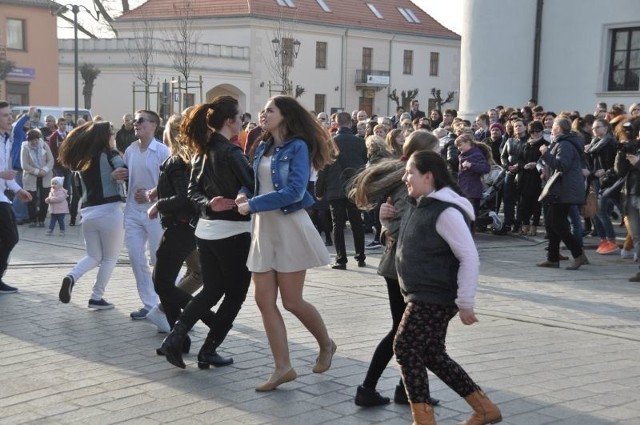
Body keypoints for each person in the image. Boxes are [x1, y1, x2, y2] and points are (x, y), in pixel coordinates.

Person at [385, 150, 501, 425]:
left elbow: (469, 255)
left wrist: (465, 301)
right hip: (422, 292)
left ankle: (424, 420)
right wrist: (384, 220)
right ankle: (485, 409)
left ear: (428, 176)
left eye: (410, 172)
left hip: (434, 294)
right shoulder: (421, 204)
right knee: (431, 353)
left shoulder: (446, 210)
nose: (405, 178)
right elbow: (403, 240)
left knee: (404, 347)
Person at [236, 95, 336, 392]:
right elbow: (254, 182)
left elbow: (294, 191)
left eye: (270, 110)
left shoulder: (298, 146)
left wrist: (252, 204)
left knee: (292, 301)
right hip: (263, 227)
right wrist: (243, 194)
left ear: (285, 115)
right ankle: (283, 367)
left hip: (289, 225)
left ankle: (326, 344)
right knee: (263, 300)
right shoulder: (262, 145)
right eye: (262, 110)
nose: (263, 114)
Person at [349, 130, 442, 408]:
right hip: (404, 267)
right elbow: (405, 225)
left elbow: (396, 222)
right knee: (405, 333)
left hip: (402, 265)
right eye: (436, 153)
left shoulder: (414, 179)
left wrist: (385, 227)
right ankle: (369, 388)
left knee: (407, 333)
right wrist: (386, 228)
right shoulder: (409, 182)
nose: (440, 158)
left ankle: (402, 390)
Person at [161, 97, 255, 370]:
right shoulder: (231, 153)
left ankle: (175, 337)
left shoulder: (202, 150)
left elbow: (192, 193)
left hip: (206, 231)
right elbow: (252, 186)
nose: (242, 121)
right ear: (229, 121)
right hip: (232, 232)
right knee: (235, 294)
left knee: (213, 289)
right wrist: (217, 203)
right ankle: (208, 349)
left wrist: (208, 205)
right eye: (240, 117)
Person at [57, 121, 127, 310]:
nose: (113, 137)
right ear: (106, 137)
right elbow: (125, 171)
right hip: (110, 210)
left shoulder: (81, 160)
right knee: (110, 258)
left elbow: (79, 191)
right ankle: (96, 296)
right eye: (112, 134)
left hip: (88, 213)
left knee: (93, 256)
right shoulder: (110, 154)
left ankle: (71, 276)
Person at [124, 110, 171, 320]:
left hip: (155, 212)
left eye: (140, 120)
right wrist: (120, 176)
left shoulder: (162, 151)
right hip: (133, 211)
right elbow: (129, 176)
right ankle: (149, 303)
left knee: (158, 259)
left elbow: (171, 184)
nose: (136, 123)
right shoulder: (130, 150)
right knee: (135, 258)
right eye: (135, 120)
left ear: (153, 125)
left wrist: (152, 194)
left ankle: (169, 302)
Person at [316, 111, 367, 270]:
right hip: (354, 186)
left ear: (335, 124)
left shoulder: (329, 143)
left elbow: (323, 168)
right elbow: (364, 161)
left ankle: (341, 259)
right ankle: (360, 257)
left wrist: (319, 190)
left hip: (335, 188)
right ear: (351, 123)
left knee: (338, 224)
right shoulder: (360, 142)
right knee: (356, 222)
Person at [537, 117, 589, 270]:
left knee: (558, 224)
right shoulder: (563, 142)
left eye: (553, 125)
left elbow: (562, 166)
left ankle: (578, 254)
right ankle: (552, 259)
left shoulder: (565, 144)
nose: (551, 128)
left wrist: (546, 153)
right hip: (561, 189)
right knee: (552, 223)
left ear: (559, 128)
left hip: (565, 190)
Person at [0, 101, 32, 293]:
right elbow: (3, 173)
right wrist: (2, 175)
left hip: (2, 196)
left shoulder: (7, 139)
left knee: (9, 237)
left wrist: (19, 189)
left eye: (10, 114)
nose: (10, 118)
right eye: (5, 115)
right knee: (11, 236)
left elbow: (7, 173)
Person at [21, 129, 54, 228]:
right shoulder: (25, 148)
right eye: (32, 141)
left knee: (45, 199)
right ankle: (32, 220)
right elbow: (24, 165)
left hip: (45, 176)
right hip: (31, 177)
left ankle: (41, 219)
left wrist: (44, 170)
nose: (34, 142)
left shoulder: (44, 145)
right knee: (31, 199)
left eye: (36, 140)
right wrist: (36, 172)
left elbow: (51, 160)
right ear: (28, 141)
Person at [455, 133, 490, 216]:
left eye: (460, 145)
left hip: (472, 192)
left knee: (471, 217)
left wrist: (471, 165)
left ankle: (490, 219)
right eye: (457, 146)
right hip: (464, 190)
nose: (459, 148)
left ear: (468, 142)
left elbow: (486, 168)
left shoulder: (476, 154)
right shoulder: (462, 155)